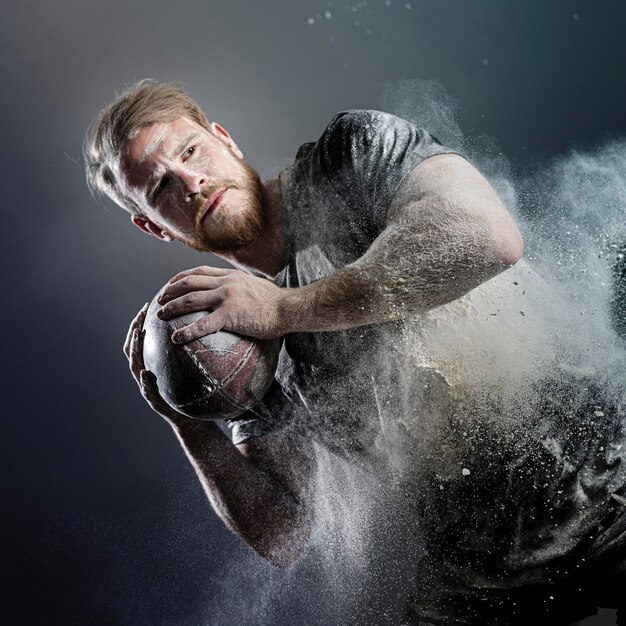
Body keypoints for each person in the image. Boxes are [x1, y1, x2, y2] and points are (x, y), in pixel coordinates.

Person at [85, 80, 625, 625]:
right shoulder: (230, 342)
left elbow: (485, 237)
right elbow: (284, 536)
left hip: (598, 461)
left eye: (190, 150)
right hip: (483, 554)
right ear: (152, 226)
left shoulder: (348, 157)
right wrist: (191, 424)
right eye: (160, 187)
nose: (191, 181)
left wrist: (283, 310)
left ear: (225, 139)